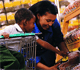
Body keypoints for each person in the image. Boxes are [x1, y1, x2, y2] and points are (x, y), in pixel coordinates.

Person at [0, 8, 68, 70]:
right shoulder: (12, 28)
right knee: (13, 62)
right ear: (25, 22)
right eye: (33, 23)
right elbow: (1, 33)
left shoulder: (28, 34)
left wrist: (58, 52)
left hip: (11, 52)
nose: (34, 26)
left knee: (20, 58)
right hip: (1, 50)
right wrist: (3, 34)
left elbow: (43, 43)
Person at [29, 1, 70, 69]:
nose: (51, 24)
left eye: (53, 21)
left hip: (50, 62)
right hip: (35, 65)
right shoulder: (29, 28)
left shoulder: (54, 23)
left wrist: (68, 55)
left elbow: (59, 40)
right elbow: (27, 56)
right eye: (48, 21)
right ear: (38, 16)